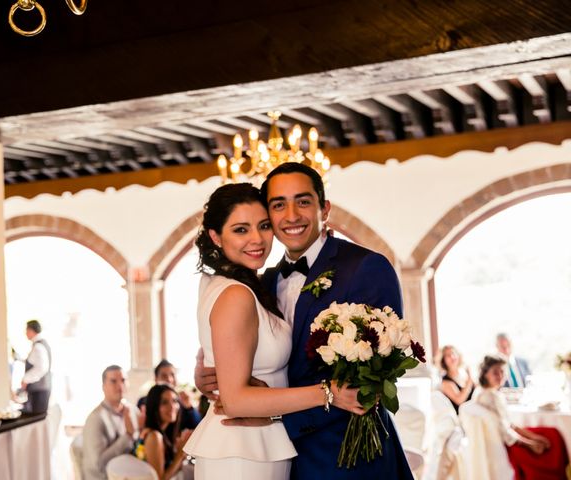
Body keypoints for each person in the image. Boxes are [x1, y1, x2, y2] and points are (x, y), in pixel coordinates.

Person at [189, 174, 410, 480]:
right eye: (278, 206)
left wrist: (273, 415)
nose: (291, 216)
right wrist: (210, 375)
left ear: (325, 209)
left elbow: (370, 384)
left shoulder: (365, 267)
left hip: (349, 458)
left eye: (303, 202)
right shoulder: (262, 283)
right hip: (273, 455)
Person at [474, 355, 568, 479]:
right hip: (505, 444)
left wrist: (534, 436)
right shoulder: (487, 397)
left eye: (502, 371)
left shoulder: (494, 393)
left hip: (509, 435)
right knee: (553, 441)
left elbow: (508, 424)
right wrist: (530, 444)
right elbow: (504, 433)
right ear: (485, 374)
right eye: (495, 372)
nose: (500, 376)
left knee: (552, 434)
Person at [82, 365, 140, 480]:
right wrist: (128, 435)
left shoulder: (133, 410)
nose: (120, 386)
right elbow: (99, 464)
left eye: (123, 380)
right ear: (103, 386)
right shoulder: (95, 419)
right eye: (113, 381)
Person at [135, 384, 192, 480]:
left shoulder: (162, 433)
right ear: (154, 407)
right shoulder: (154, 436)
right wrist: (180, 453)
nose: (172, 406)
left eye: (174, 401)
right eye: (164, 402)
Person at [154, 359, 201, 430]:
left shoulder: (184, 402)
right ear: (156, 379)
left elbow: (198, 427)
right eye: (164, 376)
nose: (169, 379)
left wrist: (189, 408)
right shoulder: (145, 402)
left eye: (172, 375)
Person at [20, 319, 52, 414]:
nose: (25, 333)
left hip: (39, 390)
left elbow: (42, 367)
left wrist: (25, 380)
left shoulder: (38, 346)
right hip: (42, 388)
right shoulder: (40, 344)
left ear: (31, 330)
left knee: (37, 418)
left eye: (26, 330)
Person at [437, 345, 474, 413]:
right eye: (448, 355)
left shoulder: (464, 375)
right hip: (463, 417)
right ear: (443, 360)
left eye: (453, 353)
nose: (452, 357)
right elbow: (459, 400)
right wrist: (469, 379)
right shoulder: (445, 382)